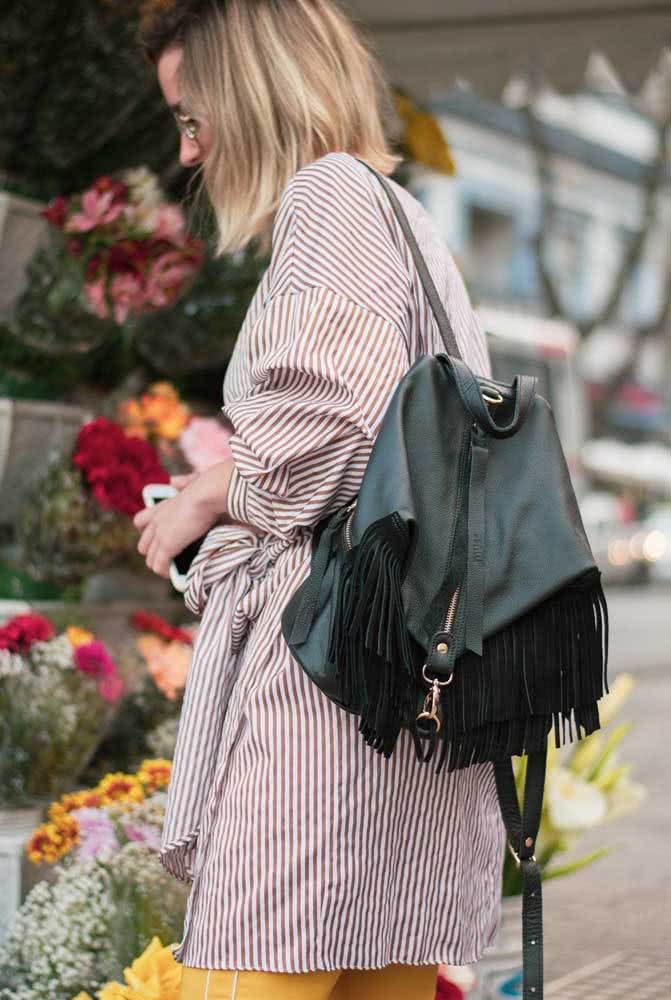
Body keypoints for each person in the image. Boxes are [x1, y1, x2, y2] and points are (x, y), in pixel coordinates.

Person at [134, 2, 506, 998]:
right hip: (402, 676)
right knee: (378, 967)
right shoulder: (398, 212)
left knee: (275, 960)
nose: (190, 147)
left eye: (191, 113)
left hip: (329, 682)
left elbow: (329, 440)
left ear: (252, 96)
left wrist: (209, 493)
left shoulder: (328, 198)